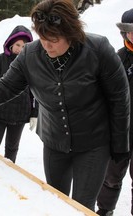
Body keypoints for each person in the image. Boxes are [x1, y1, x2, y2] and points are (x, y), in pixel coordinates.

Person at [0, 0, 130, 211]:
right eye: (43, 38)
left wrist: (120, 144)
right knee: (55, 201)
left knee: (82, 207)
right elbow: (5, 86)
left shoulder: (98, 50)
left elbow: (119, 98)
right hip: (54, 142)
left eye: (53, 39)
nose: (47, 45)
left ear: (71, 33)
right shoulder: (30, 55)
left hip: (93, 144)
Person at [0, 25, 38, 163]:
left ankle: (9, 176)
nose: (20, 49)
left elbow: (35, 92)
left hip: (19, 115)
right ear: (10, 43)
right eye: (18, 45)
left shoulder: (31, 66)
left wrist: (35, 113)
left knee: (12, 148)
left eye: (24, 47)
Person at [96, 8, 133, 216]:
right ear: (125, 33)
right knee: (111, 176)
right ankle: (104, 210)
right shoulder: (117, 59)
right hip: (121, 130)